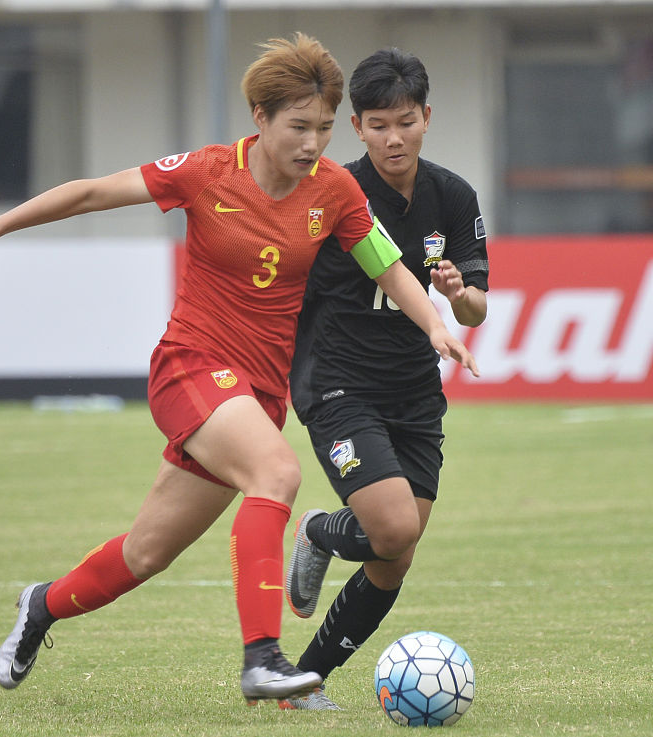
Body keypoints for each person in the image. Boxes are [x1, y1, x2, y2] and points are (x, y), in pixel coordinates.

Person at [0, 33, 476, 705]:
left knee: (145, 554)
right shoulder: (209, 171)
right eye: (298, 126)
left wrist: (435, 325)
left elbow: (386, 263)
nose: (312, 143)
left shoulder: (333, 189)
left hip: (258, 394)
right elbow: (94, 192)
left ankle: (41, 604)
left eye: (324, 129)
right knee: (277, 472)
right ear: (261, 118)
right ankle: (263, 659)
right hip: (192, 366)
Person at [282, 47, 489, 710]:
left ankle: (301, 682)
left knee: (393, 554)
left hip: (414, 390)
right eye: (378, 124)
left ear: (426, 117)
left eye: (405, 121)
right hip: (337, 381)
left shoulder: (452, 196)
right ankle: (318, 531)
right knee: (394, 528)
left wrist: (458, 294)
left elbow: (478, 305)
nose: (393, 137)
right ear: (356, 127)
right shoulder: (332, 196)